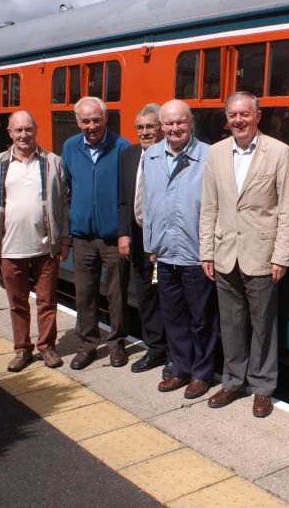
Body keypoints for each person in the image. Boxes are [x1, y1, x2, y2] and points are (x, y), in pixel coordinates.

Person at [200, 91, 289, 418]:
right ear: (226, 119)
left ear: (258, 115)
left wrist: (282, 255)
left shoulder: (279, 152)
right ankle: (232, 381)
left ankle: (262, 387)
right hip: (225, 251)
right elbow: (209, 206)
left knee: (263, 325)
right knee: (230, 323)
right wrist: (207, 251)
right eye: (233, 115)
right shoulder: (215, 154)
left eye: (244, 114)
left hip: (262, 254)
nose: (238, 120)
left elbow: (287, 208)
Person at [0, 111, 70, 372]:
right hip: (9, 247)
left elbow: (64, 204)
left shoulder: (53, 162)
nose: (23, 135)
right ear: (9, 133)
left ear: (36, 129)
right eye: (18, 130)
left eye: (28, 129)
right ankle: (22, 349)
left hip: (46, 246)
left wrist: (64, 240)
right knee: (17, 303)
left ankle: (47, 347)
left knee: (47, 300)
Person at [143, 99, 219, 398]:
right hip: (164, 252)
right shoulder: (150, 156)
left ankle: (202, 374)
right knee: (173, 316)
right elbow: (148, 204)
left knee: (202, 319)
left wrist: (210, 251)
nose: (175, 128)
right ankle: (181, 369)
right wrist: (151, 245)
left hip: (196, 253)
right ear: (161, 126)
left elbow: (218, 206)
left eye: (180, 122)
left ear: (191, 123)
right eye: (169, 123)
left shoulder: (209, 156)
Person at [62, 96, 131, 370]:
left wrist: (125, 232)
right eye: (85, 120)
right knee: (84, 294)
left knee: (116, 295)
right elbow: (66, 191)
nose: (91, 125)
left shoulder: (121, 146)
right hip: (82, 238)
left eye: (96, 119)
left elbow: (126, 194)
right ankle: (87, 345)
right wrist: (67, 233)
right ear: (78, 122)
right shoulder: (69, 148)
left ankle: (116, 344)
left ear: (105, 119)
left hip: (113, 238)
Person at [117, 103, 173, 380]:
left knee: (171, 297)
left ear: (161, 128)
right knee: (147, 296)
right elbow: (124, 198)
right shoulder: (128, 155)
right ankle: (155, 348)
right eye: (140, 127)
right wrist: (124, 234)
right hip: (138, 236)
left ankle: (176, 354)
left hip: (166, 238)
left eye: (151, 126)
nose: (145, 132)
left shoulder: (169, 156)